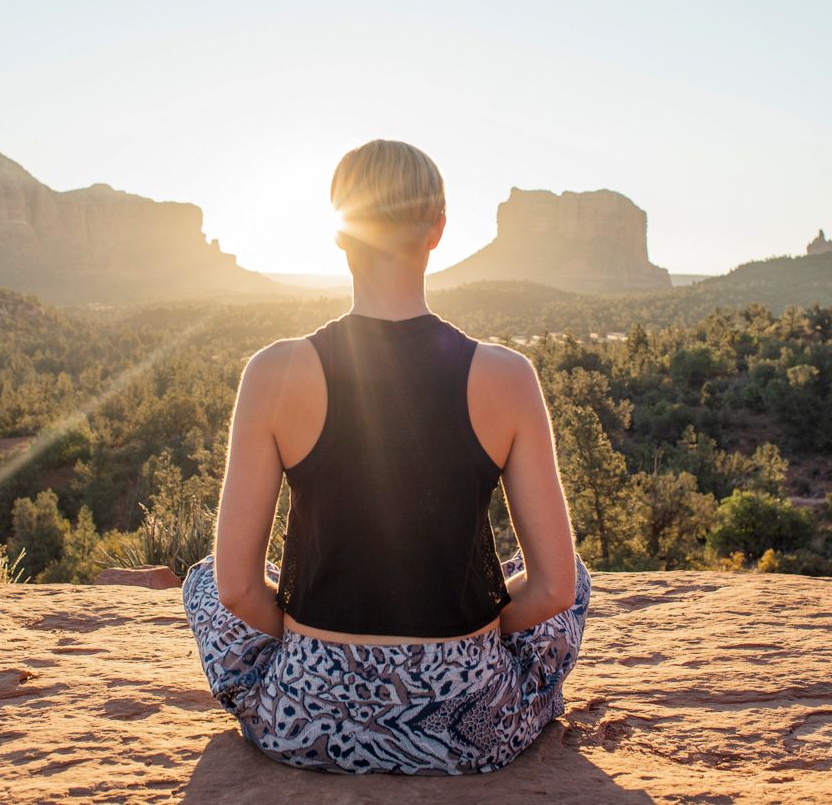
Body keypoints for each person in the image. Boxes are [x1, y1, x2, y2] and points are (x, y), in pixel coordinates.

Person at [182, 139, 591, 775]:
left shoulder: (273, 372)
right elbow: (554, 587)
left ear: (340, 234)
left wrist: (311, 648)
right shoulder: (507, 377)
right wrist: (467, 640)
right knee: (578, 575)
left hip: (309, 721)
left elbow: (237, 589)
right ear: (438, 229)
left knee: (205, 579)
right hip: (465, 726)